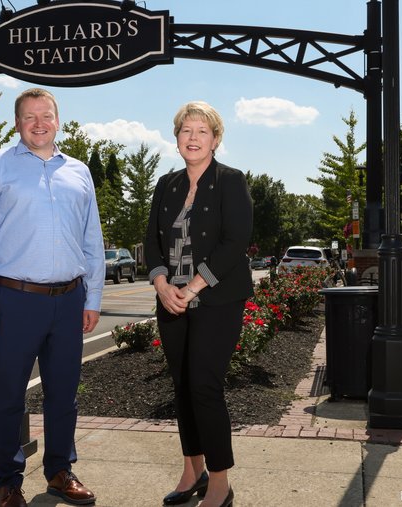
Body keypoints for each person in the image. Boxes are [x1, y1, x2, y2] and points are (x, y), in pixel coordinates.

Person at [0, 87, 104, 507]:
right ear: (18, 122)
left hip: (70, 300)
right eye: (29, 116)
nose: (39, 123)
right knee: (7, 396)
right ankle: (7, 481)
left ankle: (60, 470)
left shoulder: (79, 171)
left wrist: (92, 297)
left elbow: (92, 240)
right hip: (16, 298)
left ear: (57, 120)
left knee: (64, 394)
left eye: (46, 115)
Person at [144, 101, 253, 507]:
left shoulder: (231, 181)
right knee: (182, 388)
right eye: (186, 131)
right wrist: (160, 284)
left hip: (217, 300)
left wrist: (190, 289)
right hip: (169, 301)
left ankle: (220, 482)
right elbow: (152, 240)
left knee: (204, 386)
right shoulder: (165, 184)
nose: (193, 138)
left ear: (216, 139)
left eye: (202, 131)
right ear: (176, 140)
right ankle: (193, 470)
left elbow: (234, 243)